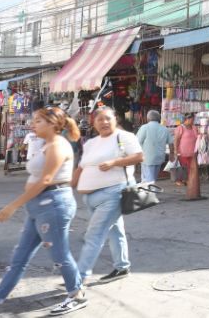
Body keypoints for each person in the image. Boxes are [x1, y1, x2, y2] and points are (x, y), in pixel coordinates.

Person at [0, 107, 86, 317]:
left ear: (52, 124)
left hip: (53, 205)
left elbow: (46, 180)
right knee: (19, 258)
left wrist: (13, 205)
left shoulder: (57, 145)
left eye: (38, 121)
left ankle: (76, 294)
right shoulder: (44, 144)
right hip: (39, 205)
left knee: (59, 255)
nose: (33, 124)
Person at [71, 107, 143, 285]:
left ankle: (78, 278)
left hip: (113, 193)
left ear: (115, 119)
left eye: (107, 118)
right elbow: (81, 167)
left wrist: (114, 162)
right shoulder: (90, 143)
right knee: (114, 231)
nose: (103, 122)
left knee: (94, 235)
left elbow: (139, 157)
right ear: (93, 123)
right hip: (90, 197)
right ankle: (122, 266)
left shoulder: (124, 137)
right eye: (99, 119)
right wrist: (66, 187)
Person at [136, 111, 174, 184]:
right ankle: (149, 192)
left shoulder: (145, 127)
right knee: (152, 178)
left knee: (148, 180)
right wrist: (171, 154)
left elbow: (137, 141)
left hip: (147, 158)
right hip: (159, 158)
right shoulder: (164, 129)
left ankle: (150, 193)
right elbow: (171, 143)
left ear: (148, 118)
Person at [173, 113, 198, 186]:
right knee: (182, 167)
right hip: (182, 151)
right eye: (192, 119)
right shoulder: (180, 128)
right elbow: (176, 140)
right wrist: (175, 150)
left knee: (191, 167)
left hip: (192, 151)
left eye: (193, 119)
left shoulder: (194, 128)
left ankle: (187, 180)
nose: (193, 121)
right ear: (187, 119)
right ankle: (179, 180)